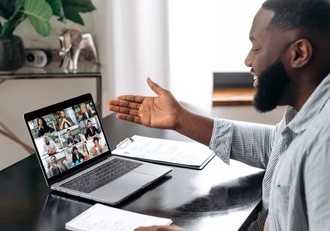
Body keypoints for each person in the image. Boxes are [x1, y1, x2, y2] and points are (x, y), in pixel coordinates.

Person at [108, 0, 330, 230]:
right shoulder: (305, 108)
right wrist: (181, 119)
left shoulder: (324, 145)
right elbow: (275, 146)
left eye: (256, 48)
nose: (248, 61)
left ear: (299, 53)